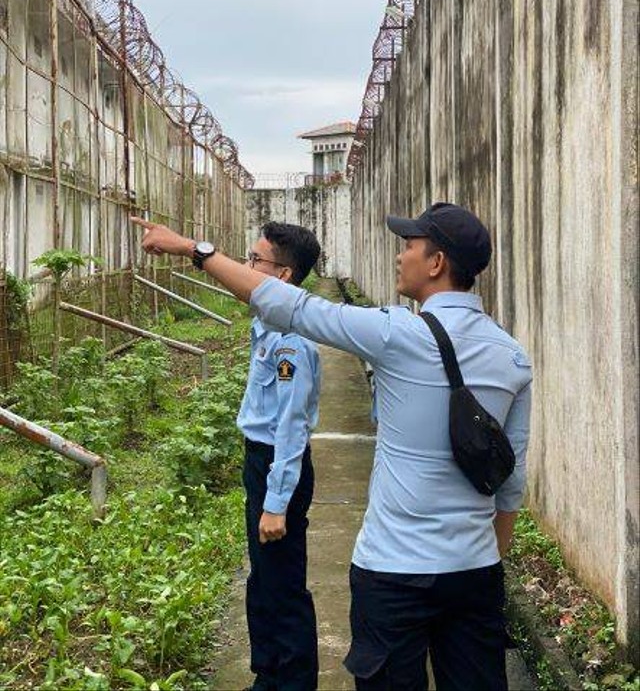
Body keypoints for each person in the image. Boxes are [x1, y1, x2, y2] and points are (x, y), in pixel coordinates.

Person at [132, 202, 533, 691]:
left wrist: (192, 249)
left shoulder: (395, 333)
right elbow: (509, 480)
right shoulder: (512, 355)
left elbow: (292, 307)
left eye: (409, 246)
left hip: (393, 570)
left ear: (436, 263)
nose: (399, 256)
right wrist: (486, 557)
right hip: (474, 572)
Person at [208, 221, 322, 691]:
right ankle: (268, 674)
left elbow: (291, 427)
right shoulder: (268, 328)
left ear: (283, 276)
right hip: (261, 461)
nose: (246, 267)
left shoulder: (291, 342)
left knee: (283, 585)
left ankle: (292, 680)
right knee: (264, 580)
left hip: (279, 466)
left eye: (255, 261)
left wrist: (276, 503)